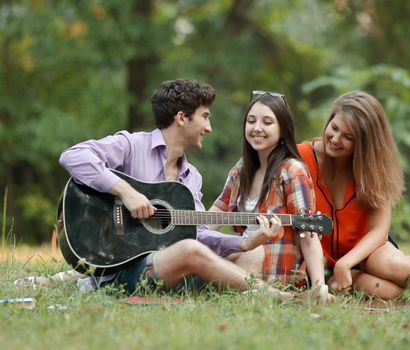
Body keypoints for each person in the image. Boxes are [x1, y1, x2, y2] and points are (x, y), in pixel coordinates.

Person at [18, 79, 295, 299]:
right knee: (188, 251)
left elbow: (197, 234)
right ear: (182, 118)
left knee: (253, 254)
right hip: (121, 263)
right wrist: (125, 191)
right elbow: (73, 156)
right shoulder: (132, 146)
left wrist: (245, 242)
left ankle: (85, 283)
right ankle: (274, 296)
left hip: (161, 264)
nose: (209, 128)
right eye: (205, 117)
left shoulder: (191, 177)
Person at [297, 91, 410, 299]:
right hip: (320, 264)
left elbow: (380, 231)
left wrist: (346, 262)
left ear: (364, 144)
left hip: (367, 253)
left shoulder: (372, 169)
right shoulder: (300, 158)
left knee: (390, 263)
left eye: (348, 137)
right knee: (386, 292)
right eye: (334, 128)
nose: (335, 139)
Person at [208, 91, 331, 302]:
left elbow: (309, 235)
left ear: (282, 130)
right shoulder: (241, 169)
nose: (257, 128)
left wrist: (319, 286)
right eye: (251, 121)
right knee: (203, 255)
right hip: (243, 250)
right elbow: (216, 213)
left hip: (274, 263)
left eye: (267, 122)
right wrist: (189, 237)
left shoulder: (292, 171)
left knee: (250, 254)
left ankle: (274, 295)